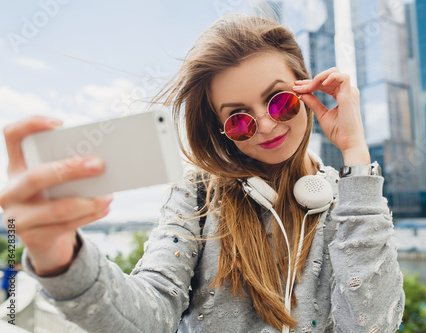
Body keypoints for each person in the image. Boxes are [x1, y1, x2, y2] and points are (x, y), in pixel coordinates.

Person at [0, 12, 405, 333]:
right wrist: (59, 255)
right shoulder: (197, 194)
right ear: (221, 131)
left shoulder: (352, 199)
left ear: (306, 91)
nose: (265, 124)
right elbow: (150, 315)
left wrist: (355, 152)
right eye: (238, 119)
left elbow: (373, 326)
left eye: (280, 102)